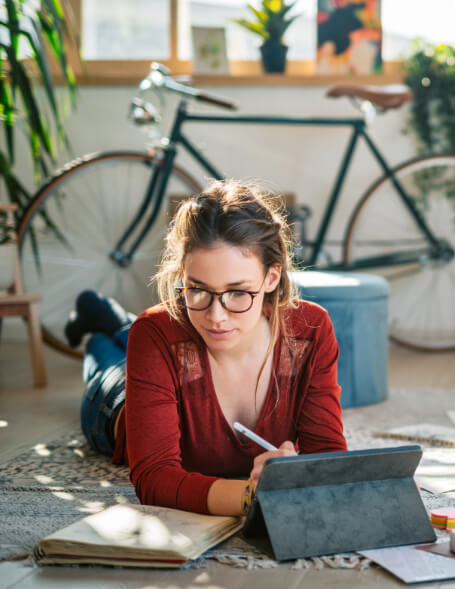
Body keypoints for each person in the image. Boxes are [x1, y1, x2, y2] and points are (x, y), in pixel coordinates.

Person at [68, 179, 347, 516]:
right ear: (182, 275)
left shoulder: (310, 331)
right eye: (197, 289)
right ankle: (98, 323)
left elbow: (329, 458)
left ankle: (106, 317)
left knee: (157, 332)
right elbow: (154, 480)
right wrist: (250, 495)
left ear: (271, 278)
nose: (216, 316)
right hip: (113, 404)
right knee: (105, 349)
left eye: (238, 292)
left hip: (173, 342)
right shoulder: (156, 333)